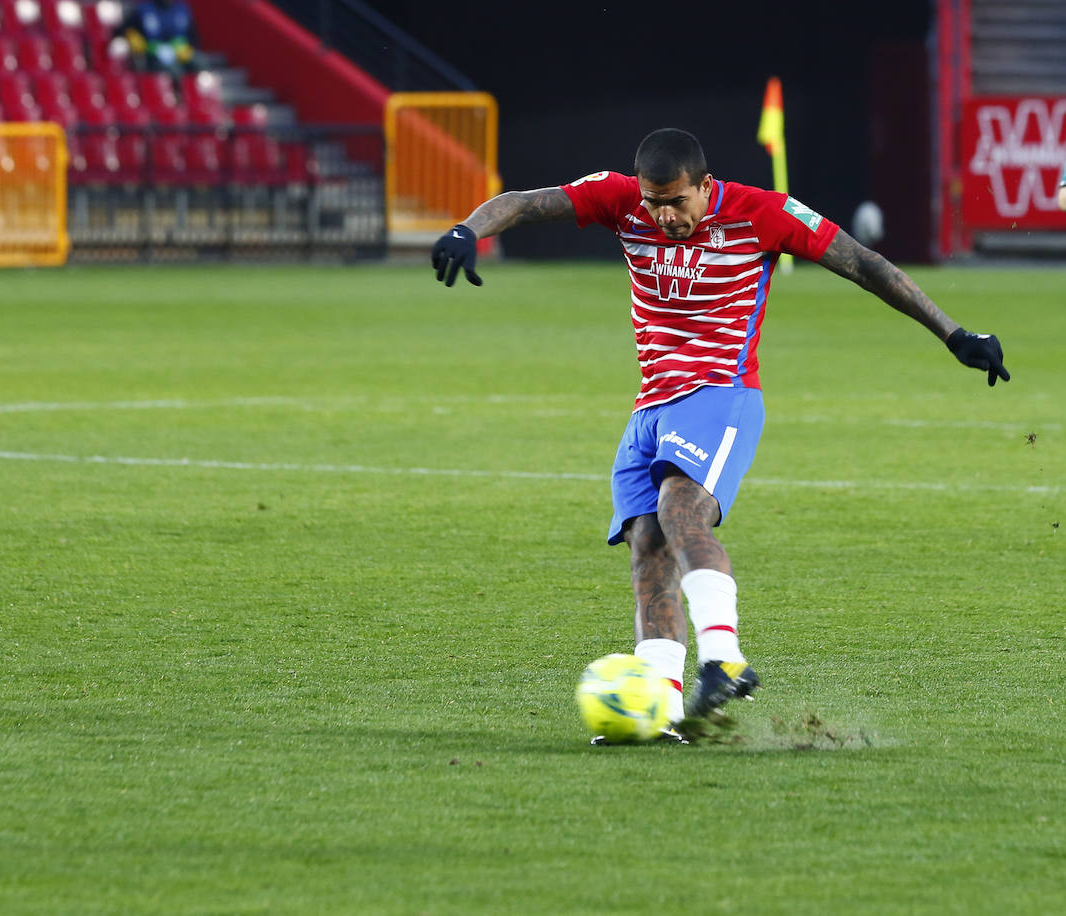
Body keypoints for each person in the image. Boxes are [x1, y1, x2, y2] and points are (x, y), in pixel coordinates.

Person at [431, 128, 1009, 738]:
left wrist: (954, 334)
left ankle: (724, 655)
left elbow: (864, 264)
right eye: (653, 204)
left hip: (720, 395)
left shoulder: (765, 213)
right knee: (648, 547)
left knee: (681, 508)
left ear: (705, 187)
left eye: (676, 202)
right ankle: (662, 709)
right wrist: (469, 229)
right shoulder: (621, 200)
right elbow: (526, 200)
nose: (663, 216)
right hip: (650, 406)